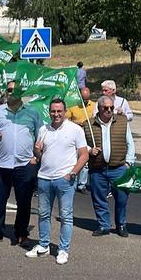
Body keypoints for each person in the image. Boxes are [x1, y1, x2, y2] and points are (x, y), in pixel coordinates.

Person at [0, 80, 42, 245]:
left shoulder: (32, 113)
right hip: (2, 164)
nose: (11, 93)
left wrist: (37, 156)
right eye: (9, 90)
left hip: (25, 164)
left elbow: (41, 134)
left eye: (15, 90)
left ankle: (21, 232)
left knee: (24, 201)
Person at [28, 99, 88, 265]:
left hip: (64, 179)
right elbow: (40, 156)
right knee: (43, 214)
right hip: (44, 178)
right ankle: (43, 245)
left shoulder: (75, 130)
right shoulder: (43, 129)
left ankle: (63, 249)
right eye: (53, 111)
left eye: (59, 111)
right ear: (49, 112)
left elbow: (84, 154)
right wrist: (37, 150)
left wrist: (73, 173)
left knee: (66, 216)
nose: (56, 114)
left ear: (65, 111)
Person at [85, 96, 136, 237]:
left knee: (121, 198)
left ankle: (121, 224)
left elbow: (130, 143)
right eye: (105, 108)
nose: (109, 110)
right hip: (97, 169)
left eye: (111, 108)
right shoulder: (88, 124)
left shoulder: (122, 122)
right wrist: (90, 150)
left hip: (119, 168)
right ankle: (103, 225)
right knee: (99, 198)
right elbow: (81, 145)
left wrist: (128, 163)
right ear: (99, 108)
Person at [67, 87, 96, 193]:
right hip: (74, 135)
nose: (85, 101)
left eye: (86, 99)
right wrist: (77, 124)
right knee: (74, 159)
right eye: (83, 99)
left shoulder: (93, 105)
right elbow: (67, 120)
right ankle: (73, 182)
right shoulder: (72, 105)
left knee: (85, 160)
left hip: (87, 135)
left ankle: (82, 184)